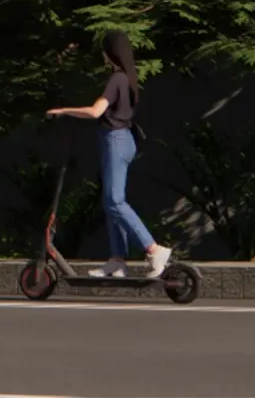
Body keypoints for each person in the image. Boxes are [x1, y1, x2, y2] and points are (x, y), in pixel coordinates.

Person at [47, 31, 172, 279]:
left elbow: (96, 111)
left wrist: (64, 111)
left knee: (114, 200)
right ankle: (117, 260)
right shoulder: (129, 79)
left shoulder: (117, 79)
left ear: (110, 52)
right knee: (110, 202)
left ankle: (153, 248)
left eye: (104, 50)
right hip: (121, 140)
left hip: (115, 140)